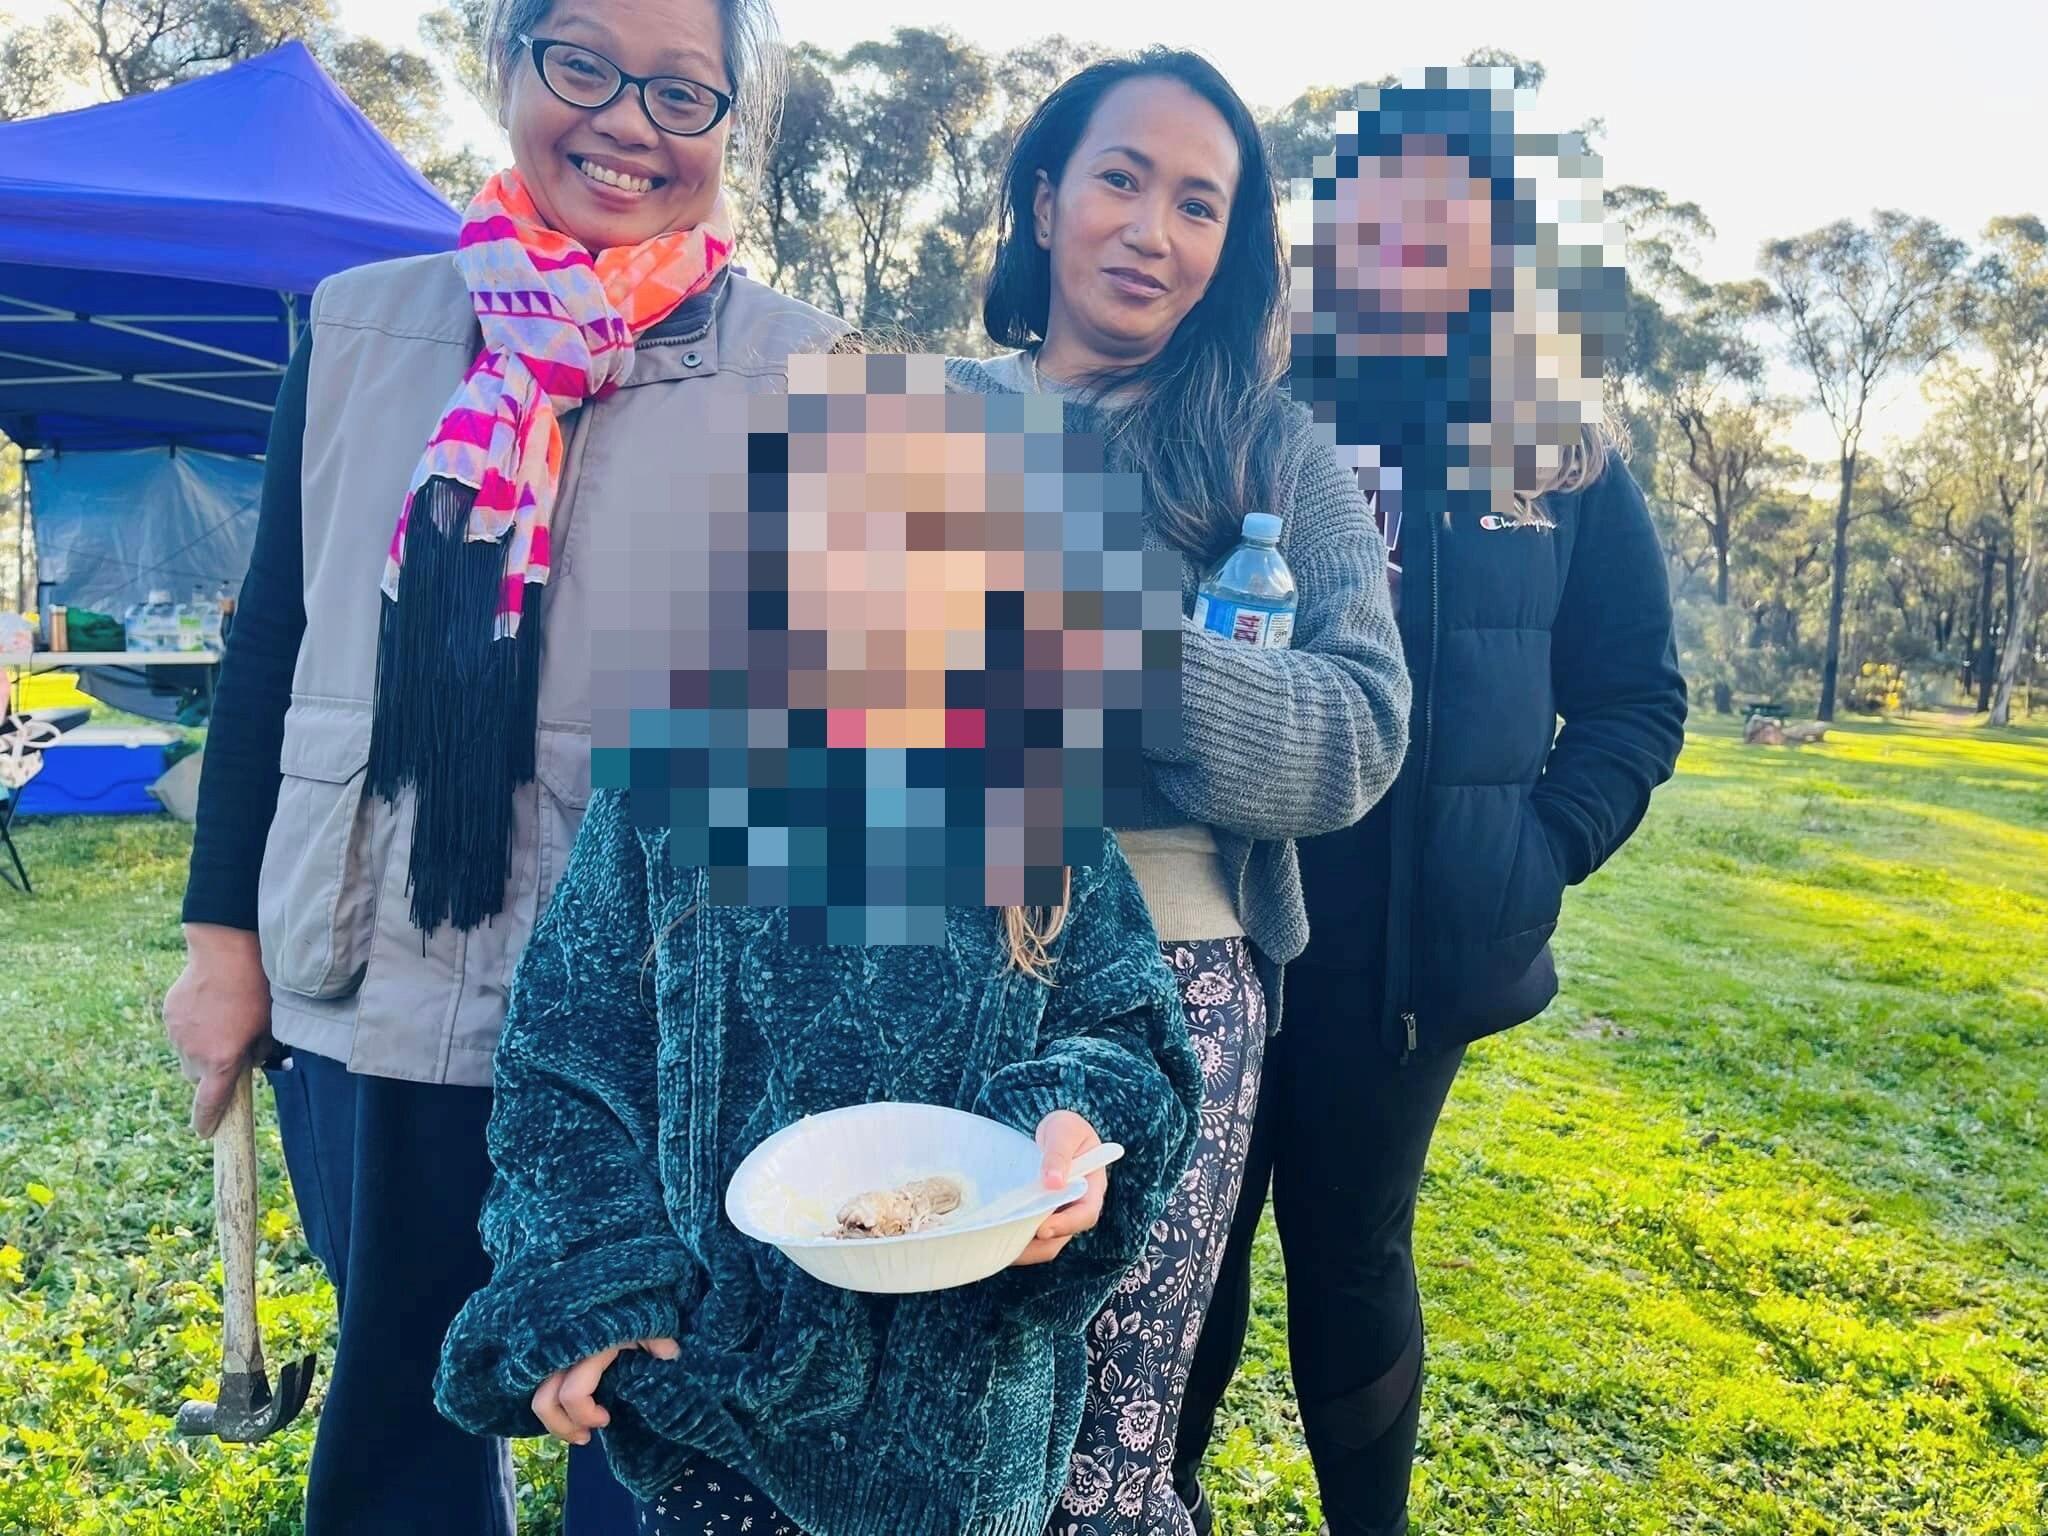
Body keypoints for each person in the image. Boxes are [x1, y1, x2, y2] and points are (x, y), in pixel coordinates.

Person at [158, 0, 843, 1527]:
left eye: (683, 92)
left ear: (735, 122)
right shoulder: (358, 324)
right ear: (507, 64)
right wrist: (221, 949)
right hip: (369, 977)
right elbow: (271, 643)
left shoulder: (809, 373)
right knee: (403, 1397)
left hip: (655, 1026)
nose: (627, 123)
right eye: (582, 64)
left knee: (648, 1416)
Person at [433, 350, 1207, 1536]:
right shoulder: (669, 802)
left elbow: (1124, 1033)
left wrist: (1066, 1128)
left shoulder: (1044, 827)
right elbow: (565, 1059)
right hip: (713, 1390)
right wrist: (592, 1268)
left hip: (965, 1418)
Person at [1172, 70, 1689, 1536]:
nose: (1405, 227)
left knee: (1345, 1252)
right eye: (1374, 194)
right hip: (1221, 921)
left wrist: (1530, 857)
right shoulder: (1245, 415)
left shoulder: (1560, 456)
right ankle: (1149, 1501)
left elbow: (1639, 698)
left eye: (1445, 203)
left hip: (1411, 961)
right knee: (1185, 1247)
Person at [945, 49, 1411, 1536]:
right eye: (1121, 181)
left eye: (1199, 204)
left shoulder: (1277, 455)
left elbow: (1357, 731)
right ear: (1042, 199)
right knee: (898, 1372)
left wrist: (1133, 641)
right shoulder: (921, 414)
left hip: (1173, 976)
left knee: (1101, 1420)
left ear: (1232, 248)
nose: (1153, 230)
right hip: (908, 947)